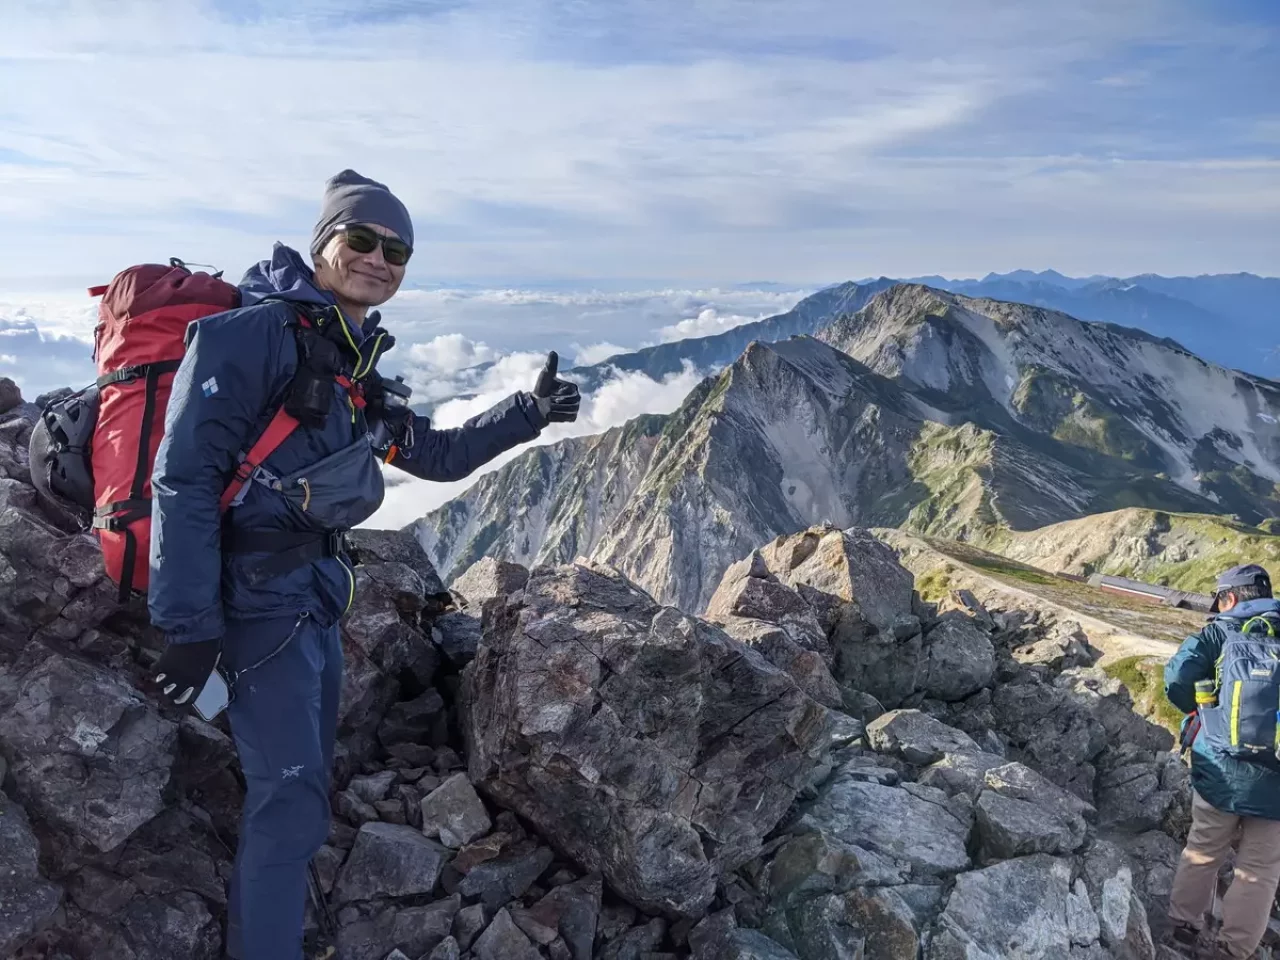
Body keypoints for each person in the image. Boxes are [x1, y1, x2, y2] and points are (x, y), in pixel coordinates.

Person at [145, 169, 581, 960]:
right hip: (257, 607)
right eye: (363, 239)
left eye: (399, 250)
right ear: (324, 242)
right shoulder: (252, 338)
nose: (380, 259)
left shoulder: (349, 364)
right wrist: (187, 627)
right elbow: (182, 480)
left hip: (314, 601)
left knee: (305, 795)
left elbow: (433, 453)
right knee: (288, 799)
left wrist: (526, 413)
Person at [1164, 563, 1280, 959]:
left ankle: (1183, 928)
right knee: (1261, 869)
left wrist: (1204, 716)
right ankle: (1234, 950)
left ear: (1229, 598)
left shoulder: (1218, 632)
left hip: (1220, 769)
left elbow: (1177, 679)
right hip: (1277, 782)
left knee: (1204, 848)